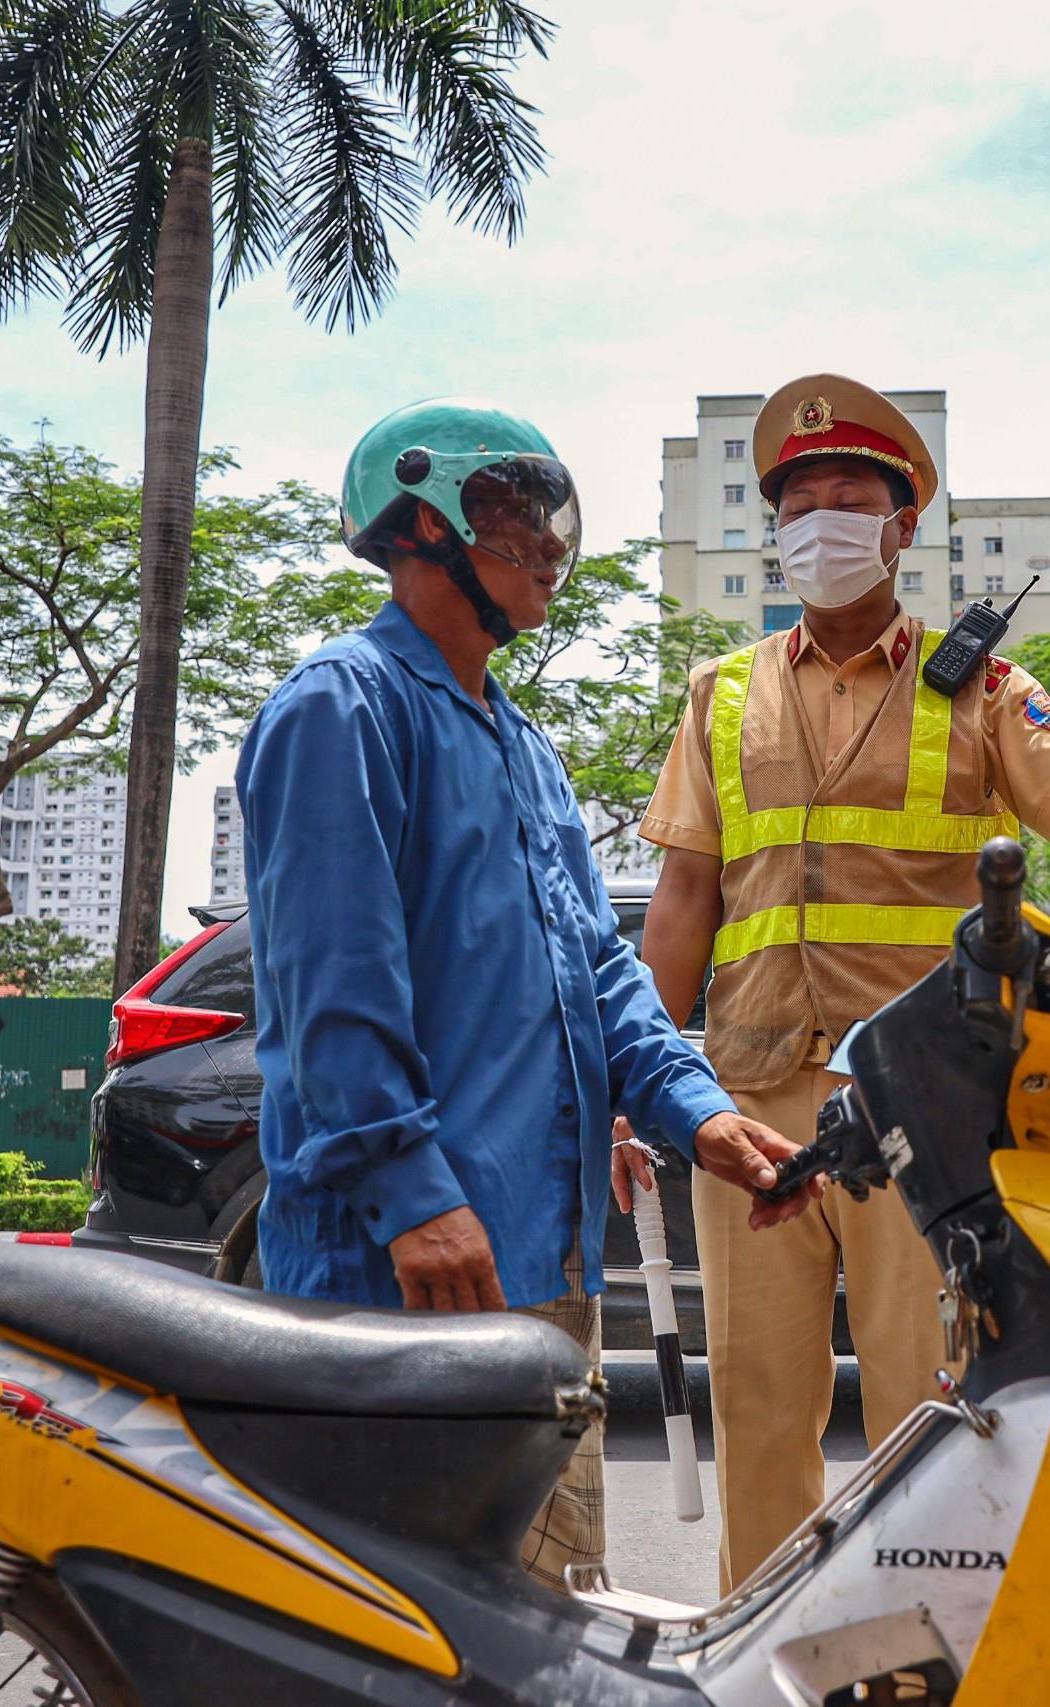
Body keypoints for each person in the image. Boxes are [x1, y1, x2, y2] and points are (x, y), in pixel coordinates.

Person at [636, 374, 1050, 1591]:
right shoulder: (721, 692)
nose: (821, 525)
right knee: (758, 1406)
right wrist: (639, 1081)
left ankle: (925, 1646)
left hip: (919, 1106)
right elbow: (687, 894)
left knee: (926, 1405)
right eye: (800, 504)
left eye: (851, 501)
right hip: (748, 1098)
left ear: (903, 530)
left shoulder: (979, 689)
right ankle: (771, 1653)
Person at [235, 397, 816, 1594]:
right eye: (509, 511)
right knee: (388, 1622)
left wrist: (693, 1108)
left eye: (549, 513)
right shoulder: (341, 710)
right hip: (399, 1266)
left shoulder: (521, 745)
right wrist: (410, 1199)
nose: (547, 542)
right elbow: (331, 991)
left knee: (540, 1612)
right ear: (416, 527)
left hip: (538, 1267)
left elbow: (598, 973)